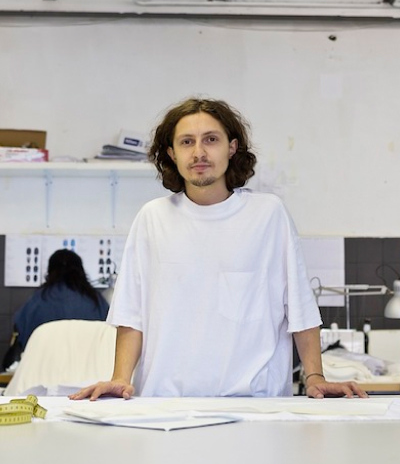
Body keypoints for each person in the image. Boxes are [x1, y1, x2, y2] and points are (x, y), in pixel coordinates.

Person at [70, 97, 367, 402]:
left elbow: (300, 307)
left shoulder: (268, 215)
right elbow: (132, 315)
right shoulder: (152, 218)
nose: (199, 152)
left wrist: (315, 376)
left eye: (211, 139)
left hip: (256, 409)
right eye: (187, 142)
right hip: (164, 407)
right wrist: (120, 378)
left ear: (232, 147)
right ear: (172, 153)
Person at [13, 249, 109, 350]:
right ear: (81, 271)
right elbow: (110, 336)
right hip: (89, 364)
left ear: (50, 271)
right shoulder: (96, 301)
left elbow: (22, 335)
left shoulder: (37, 300)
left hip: (44, 364)